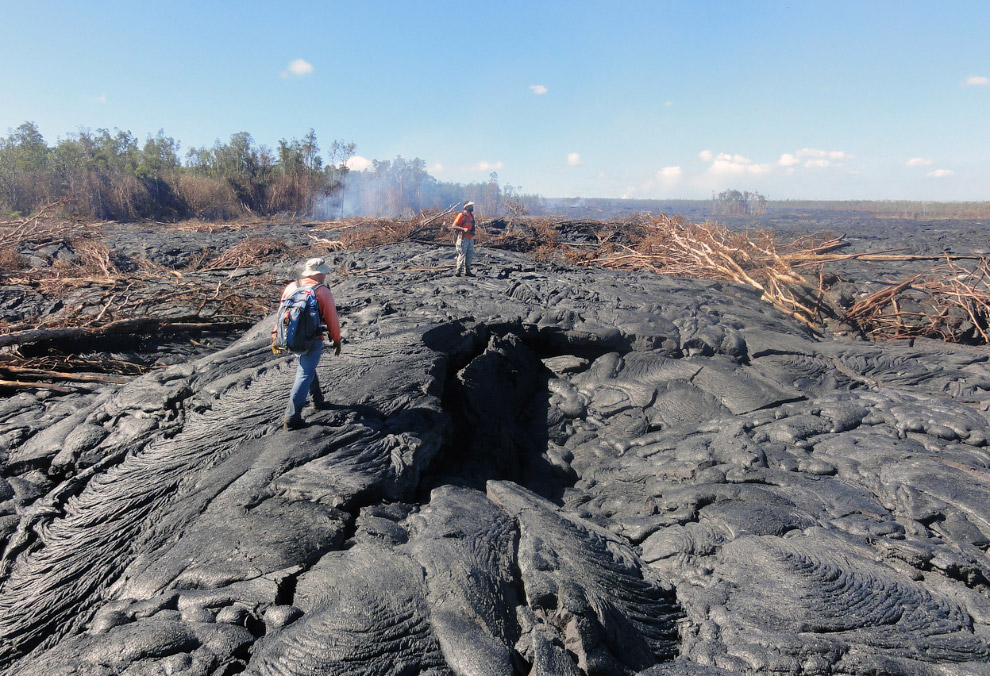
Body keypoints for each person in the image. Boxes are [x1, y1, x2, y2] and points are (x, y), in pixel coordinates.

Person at [274, 257, 342, 430]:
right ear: (318, 273)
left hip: (291, 337)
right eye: (324, 273)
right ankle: (292, 417)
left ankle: (318, 400)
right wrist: (336, 340)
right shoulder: (322, 291)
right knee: (304, 374)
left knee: (307, 367)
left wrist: (276, 336)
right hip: (312, 339)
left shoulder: (291, 287)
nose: (325, 276)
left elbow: (282, 315)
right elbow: (332, 319)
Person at [451, 201, 476, 277]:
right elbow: (453, 226)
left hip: (470, 238)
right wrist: (463, 229)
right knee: (462, 254)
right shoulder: (461, 215)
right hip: (463, 238)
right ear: (466, 207)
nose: (472, 207)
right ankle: (458, 271)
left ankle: (467, 271)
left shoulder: (471, 215)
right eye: (471, 206)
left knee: (469, 255)